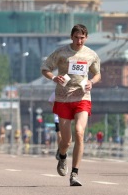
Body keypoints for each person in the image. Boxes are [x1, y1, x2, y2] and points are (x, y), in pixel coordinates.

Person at [41, 24, 101, 187]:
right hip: (63, 99)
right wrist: (53, 78)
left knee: (79, 133)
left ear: (86, 37)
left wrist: (91, 82)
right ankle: (62, 156)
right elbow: (45, 68)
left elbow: (97, 74)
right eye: (76, 37)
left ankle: (74, 174)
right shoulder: (61, 52)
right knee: (66, 141)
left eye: (82, 37)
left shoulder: (91, 54)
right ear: (71, 37)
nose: (79, 40)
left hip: (82, 98)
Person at [48, 92, 62, 160]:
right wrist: (54, 107)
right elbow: (50, 100)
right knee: (59, 135)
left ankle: (64, 149)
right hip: (57, 118)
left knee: (65, 136)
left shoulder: (69, 91)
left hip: (67, 118)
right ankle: (59, 149)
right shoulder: (56, 92)